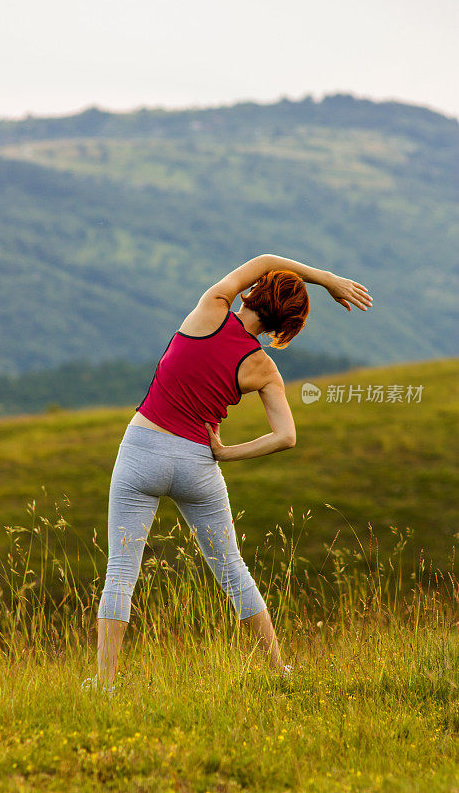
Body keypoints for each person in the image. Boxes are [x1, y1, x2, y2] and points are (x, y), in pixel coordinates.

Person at [82, 253, 372, 693]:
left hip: (142, 450)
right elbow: (286, 436)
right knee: (233, 571)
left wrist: (326, 279)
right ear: (282, 325)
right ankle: (279, 671)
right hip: (199, 463)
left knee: (122, 570)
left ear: (255, 292)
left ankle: (104, 685)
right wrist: (225, 452)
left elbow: (265, 257)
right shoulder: (264, 368)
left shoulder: (212, 308)